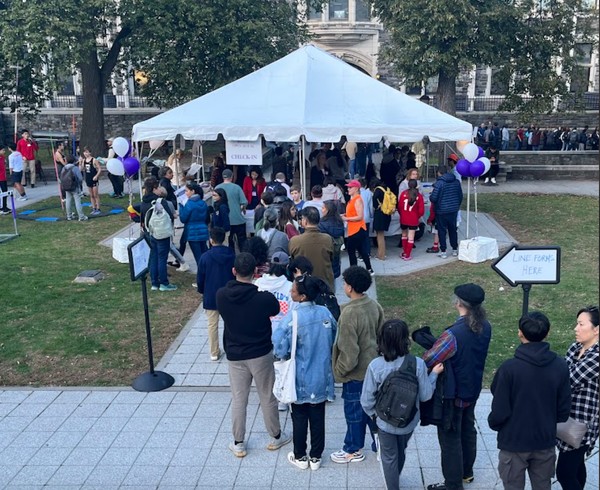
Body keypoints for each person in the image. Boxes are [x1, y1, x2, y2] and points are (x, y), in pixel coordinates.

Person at [216, 252, 292, 458]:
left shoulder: (222, 295)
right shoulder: (264, 299)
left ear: (234, 271)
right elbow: (276, 309)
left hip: (235, 355)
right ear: (256, 272)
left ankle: (238, 442)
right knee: (267, 396)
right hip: (260, 353)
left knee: (239, 399)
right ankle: (276, 436)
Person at [489, 312, 571, 490]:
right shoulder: (560, 366)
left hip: (513, 441)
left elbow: (499, 410)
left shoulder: (509, 369)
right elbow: (564, 411)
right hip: (544, 441)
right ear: (547, 334)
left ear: (520, 333)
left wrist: (495, 424)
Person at [423, 283, 492, 490]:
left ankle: (453, 484)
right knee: (468, 429)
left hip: (454, 392)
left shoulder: (453, 334)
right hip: (473, 386)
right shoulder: (485, 325)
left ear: (459, 303)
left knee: (450, 435)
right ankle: (467, 472)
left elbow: (430, 358)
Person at [361, 319, 443, 490]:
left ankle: (393, 485)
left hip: (384, 422)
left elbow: (366, 399)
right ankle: (395, 478)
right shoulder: (417, 364)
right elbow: (426, 395)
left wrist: (375, 417)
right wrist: (434, 374)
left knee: (389, 456)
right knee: (401, 451)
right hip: (409, 421)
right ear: (405, 339)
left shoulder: (375, 366)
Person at [272, 274, 337, 471]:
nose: (290, 292)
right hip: (321, 377)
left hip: (298, 378)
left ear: (302, 297)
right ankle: (316, 457)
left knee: (299, 417)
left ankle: (300, 456)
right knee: (318, 417)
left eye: (293, 291)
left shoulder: (292, 317)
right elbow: (334, 337)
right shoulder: (326, 313)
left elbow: (279, 347)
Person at [331, 265, 385, 464]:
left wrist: (339, 370)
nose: (343, 286)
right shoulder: (374, 305)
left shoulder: (348, 314)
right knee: (374, 412)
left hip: (355, 374)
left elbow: (349, 351)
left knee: (354, 414)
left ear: (350, 287)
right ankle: (380, 445)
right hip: (375, 370)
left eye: (344, 283)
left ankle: (353, 449)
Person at [556, 305, 599, 490]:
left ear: (596, 329)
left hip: (583, 424)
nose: (576, 328)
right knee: (576, 466)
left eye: (581, 324)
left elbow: (568, 380)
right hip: (567, 417)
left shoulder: (597, 356)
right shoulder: (575, 347)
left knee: (564, 473)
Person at [197, 227, 235, 361]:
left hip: (211, 294)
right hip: (228, 293)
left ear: (211, 240)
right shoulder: (231, 254)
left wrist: (202, 290)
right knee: (229, 323)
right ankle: (229, 348)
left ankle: (214, 352)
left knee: (212, 324)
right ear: (223, 238)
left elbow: (200, 278)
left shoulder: (205, 257)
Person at [140, 177, 177, 292]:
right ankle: (164, 283)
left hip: (150, 232)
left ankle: (154, 283)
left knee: (153, 257)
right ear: (155, 188)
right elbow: (169, 216)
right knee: (162, 258)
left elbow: (141, 218)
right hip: (162, 233)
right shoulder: (160, 202)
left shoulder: (143, 202)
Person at [288, 206, 334, 291]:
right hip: (325, 284)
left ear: (304, 221)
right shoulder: (328, 239)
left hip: (304, 286)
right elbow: (332, 259)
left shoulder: (295, 241)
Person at [255, 251, 294, 333]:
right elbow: (292, 312)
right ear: (287, 267)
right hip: (282, 333)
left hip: (261, 331)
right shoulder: (290, 286)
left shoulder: (258, 283)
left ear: (269, 265)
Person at [429, 165, 462, 259]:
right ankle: (455, 249)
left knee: (442, 231)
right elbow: (460, 196)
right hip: (453, 210)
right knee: (453, 230)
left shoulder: (439, 183)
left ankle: (443, 251)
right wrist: (456, 205)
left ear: (439, 173)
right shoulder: (456, 182)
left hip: (441, 211)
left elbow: (433, 198)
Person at [342, 180, 373, 275]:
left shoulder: (358, 199)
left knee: (351, 250)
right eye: (348, 187)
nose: (348, 189)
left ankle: (353, 272)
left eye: (350, 187)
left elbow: (360, 216)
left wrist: (346, 218)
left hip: (357, 229)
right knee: (361, 250)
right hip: (355, 229)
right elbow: (353, 213)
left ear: (356, 188)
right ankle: (369, 269)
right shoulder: (352, 199)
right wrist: (344, 215)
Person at [216, 168, 248, 252]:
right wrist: (241, 209)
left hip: (224, 221)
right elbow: (244, 202)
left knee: (229, 244)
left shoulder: (217, 188)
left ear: (223, 177)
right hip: (238, 220)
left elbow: (214, 205)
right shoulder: (237, 187)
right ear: (232, 177)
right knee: (242, 243)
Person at [179, 183, 209, 269]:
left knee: (198, 257)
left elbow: (183, 219)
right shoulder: (203, 203)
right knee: (204, 252)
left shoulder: (189, 204)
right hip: (203, 230)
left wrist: (181, 207)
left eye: (187, 191)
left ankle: (202, 277)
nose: (185, 193)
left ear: (193, 191)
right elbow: (206, 217)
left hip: (192, 232)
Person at [398, 179, 425, 261]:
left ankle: (404, 252)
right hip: (413, 219)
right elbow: (421, 211)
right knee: (411, 237)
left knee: (404, 235)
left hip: (403, 218)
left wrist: (402, 214)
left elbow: (399, 207)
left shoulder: (403, 194)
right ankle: (407, 255)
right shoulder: (419, 196)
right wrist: (417, 216)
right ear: (416, 185)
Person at [318, 200, 345, 279]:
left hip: (325, 253)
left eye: (323, 208)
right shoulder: (339, 222)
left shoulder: (321, 224)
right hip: (336, 251)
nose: (321, 210)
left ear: (328, 210)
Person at [61, 156, 88, 221]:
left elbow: (61, 177)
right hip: (75, 187)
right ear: (74, 161)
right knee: (77, 201)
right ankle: (81, 216)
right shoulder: (75, 168)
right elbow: (80, 178)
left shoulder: (64, 168)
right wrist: (79, 184)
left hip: (66, 187)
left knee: (68, 201)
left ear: (66, 161)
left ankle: (69, 216)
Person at [372, 178, 391, 261]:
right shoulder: (386, 189)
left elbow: (374, 204)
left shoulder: (377, 190)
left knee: (379, 236)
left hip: (380, 214)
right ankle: (381, 254)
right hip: (386, 213)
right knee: (382, 235)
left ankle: (381, 255)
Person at [79, 147, 102, 215]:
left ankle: (98, 208)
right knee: (91, 195)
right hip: (88, 179)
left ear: (90, 152)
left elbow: (99, 169)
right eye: (84, 152)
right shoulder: (84, 160)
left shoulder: (94, 160)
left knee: (95, 195)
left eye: (87, 152)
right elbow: (81, 169)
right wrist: (80, 163)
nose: (85, 154)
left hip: (94, 179)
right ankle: (94, 208)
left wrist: (96, 176)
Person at [0, 146, 11, 214]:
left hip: (3, 177)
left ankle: (5, 206)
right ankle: (2, 208)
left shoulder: (3, 158)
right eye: (3, 150)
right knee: (3, 192)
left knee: (5, 192)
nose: (4, 151)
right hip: (0, 178)